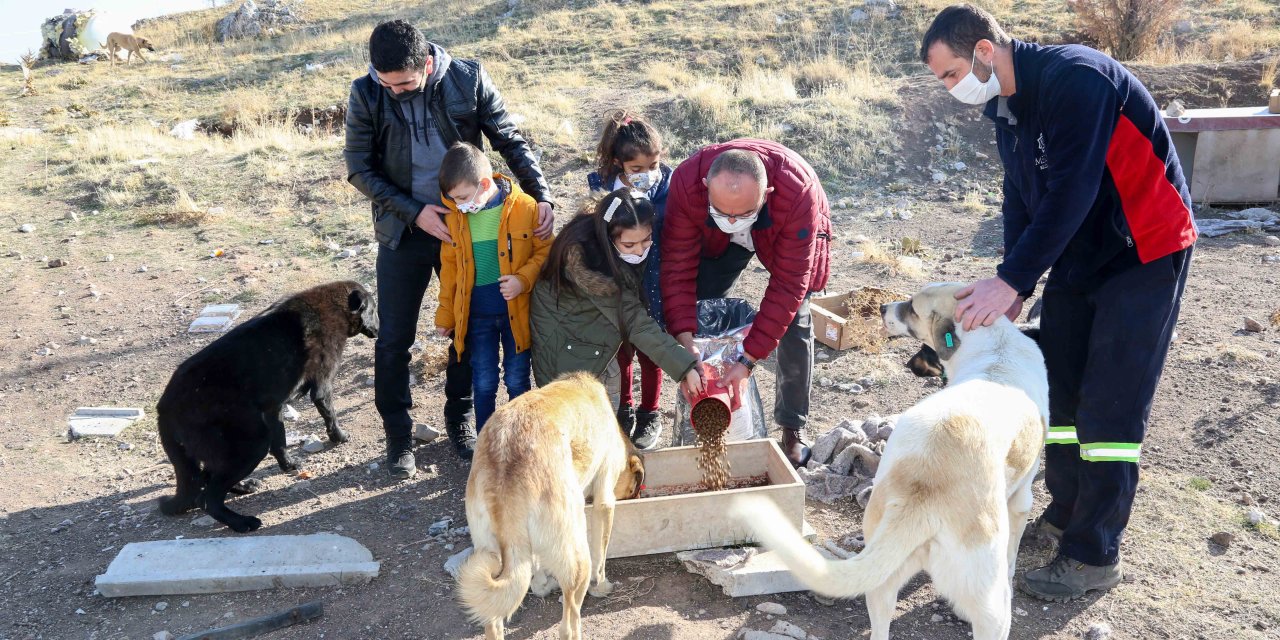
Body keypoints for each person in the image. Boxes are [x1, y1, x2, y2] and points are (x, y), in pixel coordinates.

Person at [920, 4, 1196, 601]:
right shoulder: (1006, 108)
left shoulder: (1079, 78)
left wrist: (1015, 280)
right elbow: (1021, 198)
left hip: (1142, 250)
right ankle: (1066, 511)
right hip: (1079, 254)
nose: (950, 90)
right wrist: (1011, 282)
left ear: (986, 53)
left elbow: (1074, 189)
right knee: (1061, 389)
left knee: (1109, 404)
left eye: (950, 74)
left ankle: (1094, 554)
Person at [344, 20, 556, 476]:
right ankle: (399, 438)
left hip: (466, 226)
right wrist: (414, 211)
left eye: (403, 83)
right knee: (393, 339)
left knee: (467, 323)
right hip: (403, 229)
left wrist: (542, 196)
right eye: (386, 84)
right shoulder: (365, 93)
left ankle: (459, 420)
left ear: (426, 63)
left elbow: (509, 139)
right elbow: (359, 170)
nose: (394, 92)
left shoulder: (468, 79)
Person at [661, 140, 832, 467]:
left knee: (796, 320)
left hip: (784, 231)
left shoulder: (798, 193)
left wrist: (749, 360)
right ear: (705, 188)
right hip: (717, 243)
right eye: (722, 211)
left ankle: (792, 427)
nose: (732, 219)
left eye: (742, 213)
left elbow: (788, 286)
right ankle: (709, 401)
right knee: (701, 314)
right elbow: (677, 268)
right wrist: (685, 340)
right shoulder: (686, 183)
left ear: (766, 194)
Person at [531, 189, 704, 415]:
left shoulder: (606, 233)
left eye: (646, 240)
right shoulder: (591, 264)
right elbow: (634, 320)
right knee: (592, 420)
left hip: (583, 333)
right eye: (629, 246)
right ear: (608, 237)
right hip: (566, 349)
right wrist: (684, 367)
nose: (640, 250)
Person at [435, 142, 549, 435]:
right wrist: (446, 316)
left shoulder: (526, 208)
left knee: (517, 380)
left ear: (484, 184)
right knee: (483, 381)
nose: (459, 205)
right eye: (453, 199)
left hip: (517, 315)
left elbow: (545, 252)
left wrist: (522, 280)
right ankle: (486, 441)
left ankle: (519, 439)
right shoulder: (455, 218)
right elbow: (449, 273)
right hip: (477, 318)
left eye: (462, 197)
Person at [586, 110, 674, 449]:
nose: (647, 175)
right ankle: (623, 409)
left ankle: (650, 412)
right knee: (620, 352)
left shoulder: (666, 187)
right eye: (637, 170)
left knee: (651, 352)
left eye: (653, 167)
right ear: (617, 162)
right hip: (617, 284)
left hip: (654, 283)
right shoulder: (601, 188)